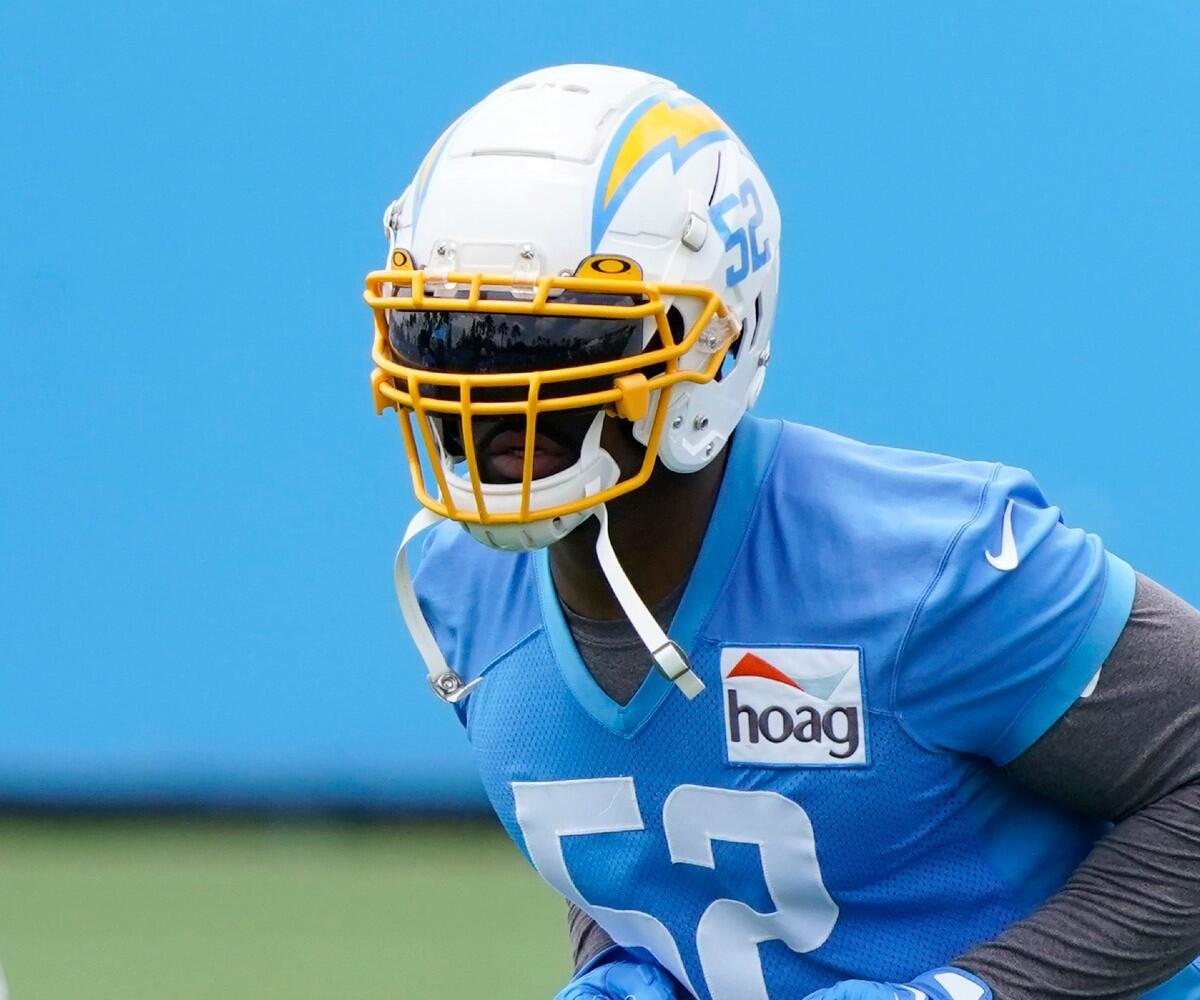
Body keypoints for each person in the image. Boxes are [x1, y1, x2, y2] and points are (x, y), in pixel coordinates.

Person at [365, 64, 1200, 1000]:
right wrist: (620, 968)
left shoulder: (921, 568)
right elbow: (641, 837)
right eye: (443, 333)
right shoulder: (456, 590)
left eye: (552, 343)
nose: (487, 395)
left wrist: (966, 995)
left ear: (712, 343)